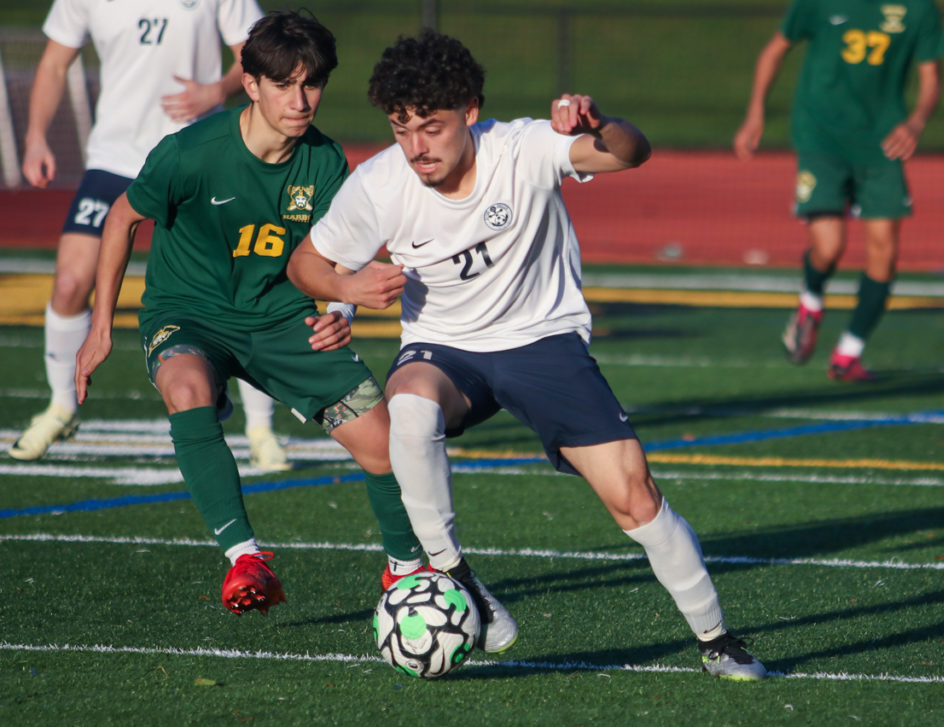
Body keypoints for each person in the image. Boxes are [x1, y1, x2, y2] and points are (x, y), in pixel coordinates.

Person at [287, 29, 767, 678]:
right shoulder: (379, 184)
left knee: (634, 496)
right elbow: (307, 263)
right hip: (445, 350)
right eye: (401, 128)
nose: (416, 146)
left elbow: (630, 153)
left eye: (431, 127)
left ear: (471, 112)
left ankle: (717, 640)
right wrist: (345, 290)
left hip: (544, 344)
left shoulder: (523, 147)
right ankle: (460, 580)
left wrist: (604, 125)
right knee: (409, 409)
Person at [74, 11, 425, 616]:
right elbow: (122, 218)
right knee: (186, 387)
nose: (299, 99)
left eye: (311, 84)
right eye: (284, 84)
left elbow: (341, 251)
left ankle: (406, 571)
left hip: (282, 320)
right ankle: (246, 558)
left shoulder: (324, 164)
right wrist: (99, 328)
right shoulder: (190, 153)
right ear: (252, 82)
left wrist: (340, 306)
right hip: (188, 315)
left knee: (385, 449)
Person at [10, 0, 293, 472]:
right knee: (69, 282)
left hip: (198, 150)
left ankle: (260, 429)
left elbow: (257, 56)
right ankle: (62, 407)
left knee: (242, 282)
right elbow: (55, 62)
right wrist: (35, 136)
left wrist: (217, 91)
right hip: (114, 157)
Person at [734, 0, 944, 381]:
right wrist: (755, 112)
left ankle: (849, 352)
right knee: (829, 247)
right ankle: (811, 299)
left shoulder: (919, 9)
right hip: (822, 137)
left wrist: (915, 122)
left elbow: (931, 77)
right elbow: (775, 49)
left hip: (883, 143)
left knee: (885, 249)